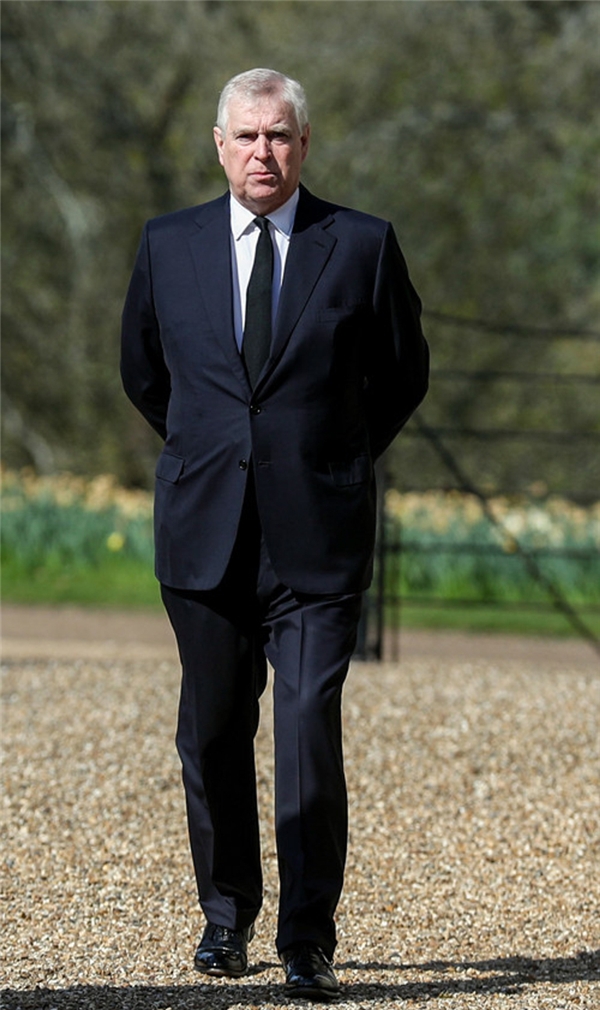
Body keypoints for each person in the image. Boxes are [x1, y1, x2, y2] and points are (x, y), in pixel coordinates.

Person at [121, 67, 428, 1000]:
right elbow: (144, 373)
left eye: (280, 136)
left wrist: (331, 458)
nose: (264, 152)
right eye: (248, 136)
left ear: (304, 144)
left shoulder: (362, 245)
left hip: (318, 541)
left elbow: (402, 373)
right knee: (212, 734)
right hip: (204, 534)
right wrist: (212, 454)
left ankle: (307, 940)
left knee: (306, 735)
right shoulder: (167, 244)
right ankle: (226, 918)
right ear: (220, 145)